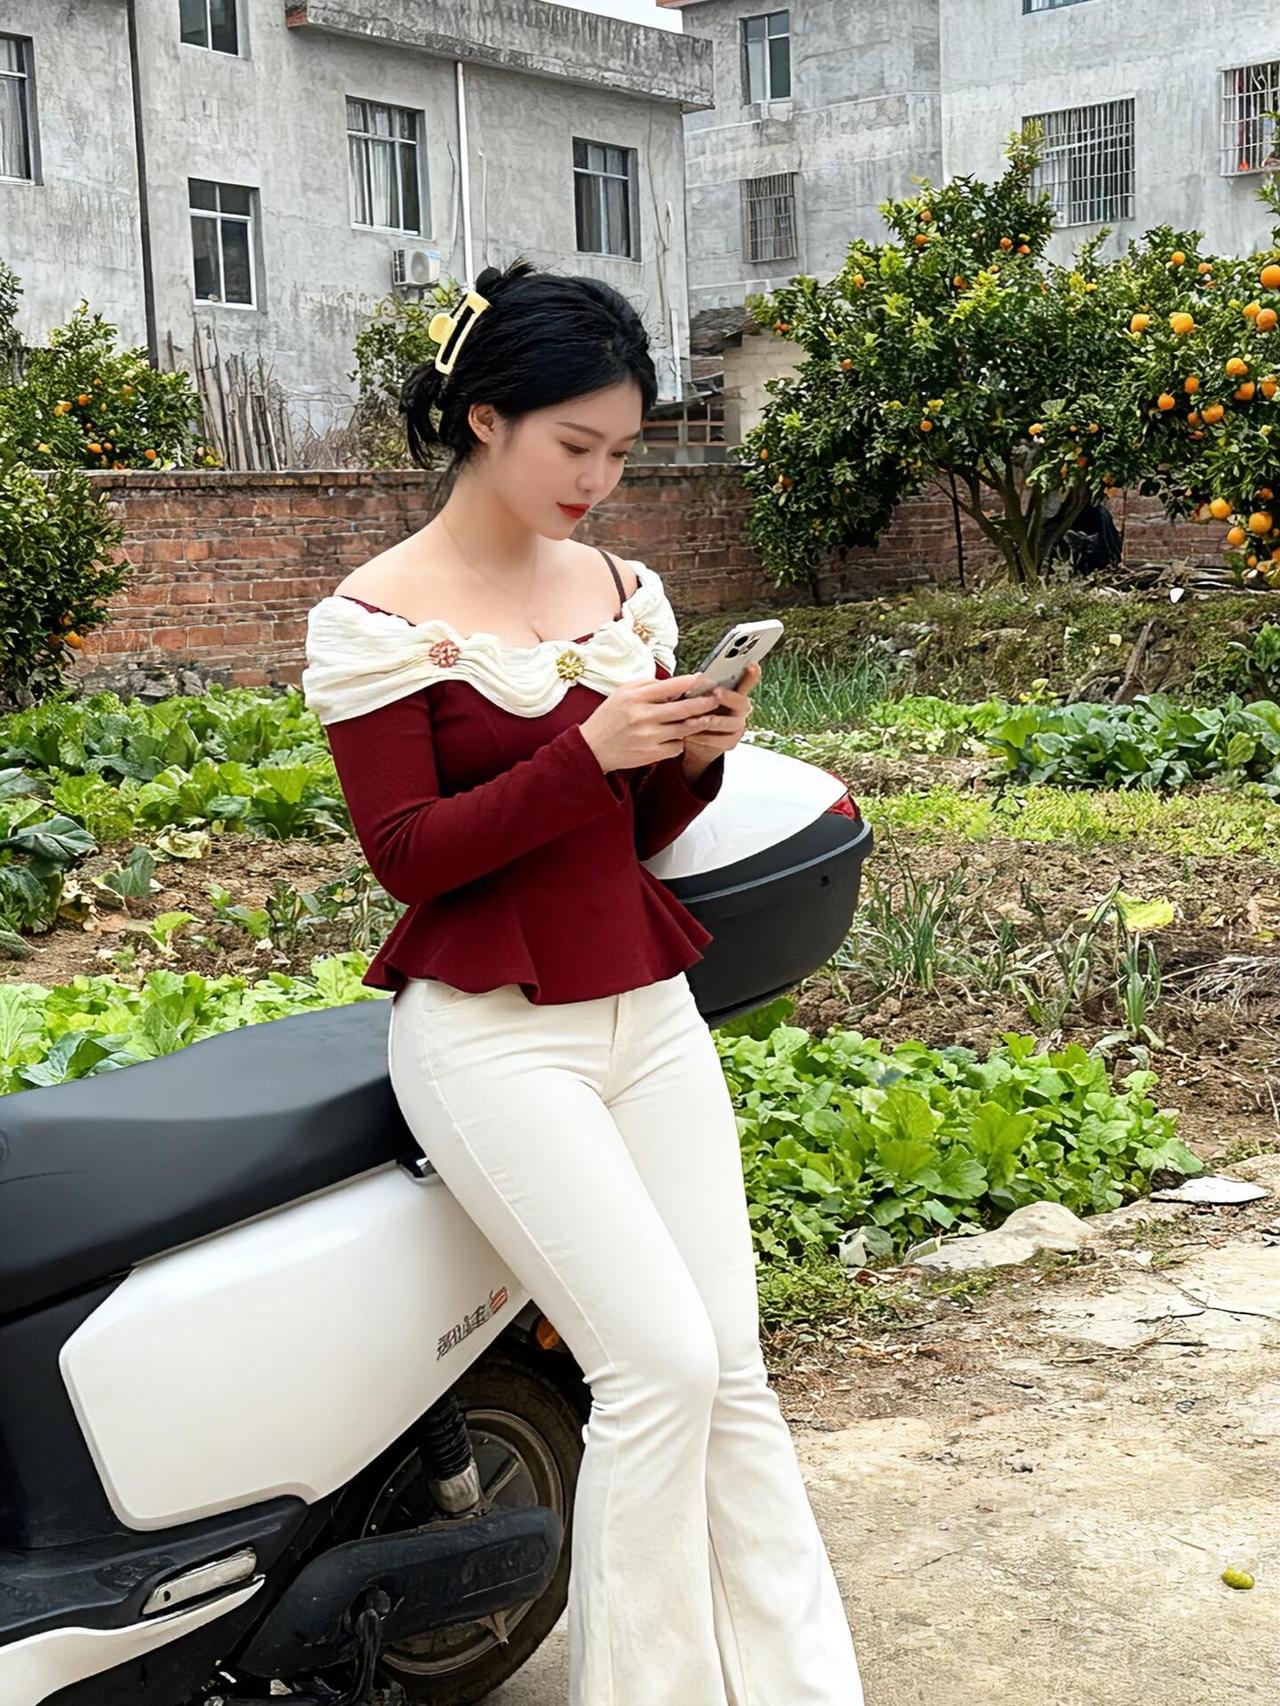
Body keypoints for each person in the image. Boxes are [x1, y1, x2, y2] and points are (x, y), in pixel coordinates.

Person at [300, 257, 865, 1706]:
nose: (600, 482)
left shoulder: (623, 593)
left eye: (620, 452)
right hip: (493, 1042)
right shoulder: (376, 617)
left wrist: (688, 756)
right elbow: (408, 855)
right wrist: (584, 749)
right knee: (656, 1370)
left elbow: (636, 836)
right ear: (485, 417)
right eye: (576, 445)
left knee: (730, 1369)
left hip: (646, 1014)